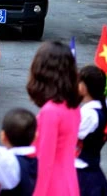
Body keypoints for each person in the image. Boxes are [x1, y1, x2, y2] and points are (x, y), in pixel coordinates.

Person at [26, 40, 81, 196]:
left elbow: (45, 162)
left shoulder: (50, 111)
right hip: (69, 183)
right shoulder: (73, 106)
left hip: (51, 188)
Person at [75, 65, 107, 196]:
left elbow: (70, 136)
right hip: (88, 170)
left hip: (83, 173)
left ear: (84, 88)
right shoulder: (98, 108)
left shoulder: (89, 114)